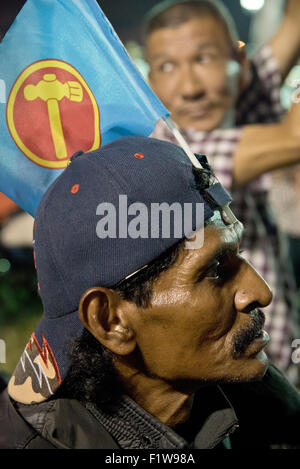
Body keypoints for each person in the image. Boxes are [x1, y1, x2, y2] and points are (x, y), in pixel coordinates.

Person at [0, 137, 300, 450]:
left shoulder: (245, 390)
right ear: (110, 321)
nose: (260, 293)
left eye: (238, 253)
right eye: (213, 271)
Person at [144, 0, 300, 381]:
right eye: (167, 66)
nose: (190, 88)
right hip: (251, 387)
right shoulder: (180, 155)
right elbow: (295, 136)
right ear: (150, 83)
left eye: (205, 58)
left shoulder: (230, 105)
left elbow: (295, 22)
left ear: (241, 67)